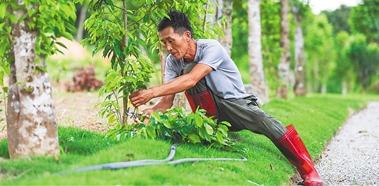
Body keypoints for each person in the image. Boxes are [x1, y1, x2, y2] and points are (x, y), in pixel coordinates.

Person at [129, 10, 323, 186]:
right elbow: (167, 101)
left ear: (187, 36)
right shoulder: (173, 62)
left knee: (267, 122)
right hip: (209, 111)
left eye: (171, 40)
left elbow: (192, 79)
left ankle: (308, 170)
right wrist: (151, 112)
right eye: (164, 43)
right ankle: (210, 129)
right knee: (187, 70)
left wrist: (150, 92)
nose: (168, 47)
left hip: (235, 104)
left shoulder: (211, 48)